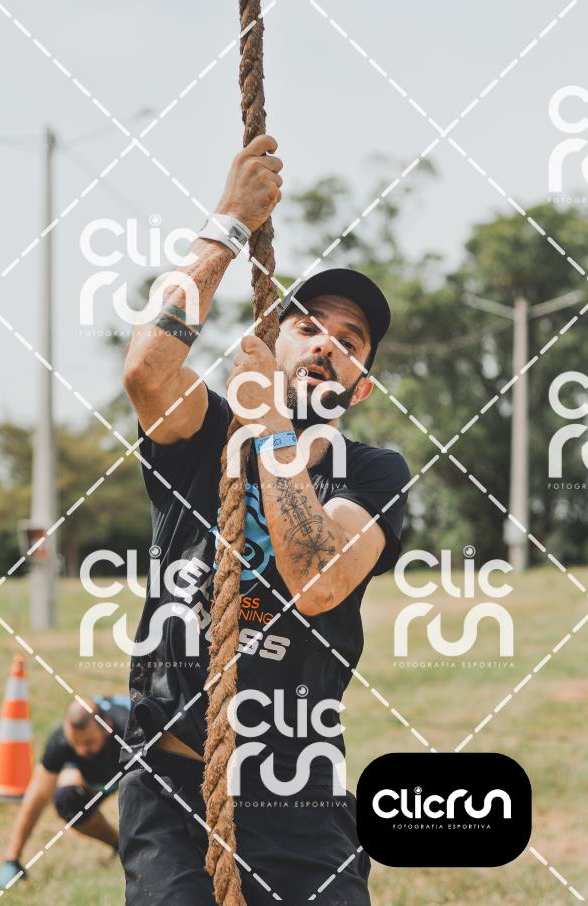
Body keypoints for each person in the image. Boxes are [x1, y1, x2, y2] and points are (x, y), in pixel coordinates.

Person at [120, 135, 410, 905]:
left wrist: (276, 432)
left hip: (300, 796)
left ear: (362, 386)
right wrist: (229, 222)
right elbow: (145, 371)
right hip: (175, 784)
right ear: (269, 340)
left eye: (349, 342)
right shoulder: (204, 433)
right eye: (307, 325)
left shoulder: (373, 474)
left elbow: (318, 579)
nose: (325, 345)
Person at [0, 695, 129, 887]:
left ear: (106, 727)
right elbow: (37, 797)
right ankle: (120, 846)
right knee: (67, 801)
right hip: (95, 780)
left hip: (131, 773)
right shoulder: (61, 740)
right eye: (75, 743)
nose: (81, 750)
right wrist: (12, 859)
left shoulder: (130, 731)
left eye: (89, 742)